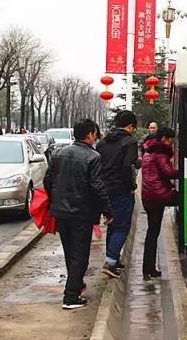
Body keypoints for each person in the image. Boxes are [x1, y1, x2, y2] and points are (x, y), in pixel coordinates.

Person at [44, 118, 113, 310]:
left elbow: (48, 180)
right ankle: (71, 296)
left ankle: (76, 285)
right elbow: (97, 187)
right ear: (90, 134)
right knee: (80, 254)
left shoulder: (59, 154)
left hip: (61, 211)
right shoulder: (93, 157)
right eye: (95, 134)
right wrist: (107, 210)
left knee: (70, 251)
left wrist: (55, 199)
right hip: (81, 212)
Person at [96, 110, 139, 278]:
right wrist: (132, 185)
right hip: (121, 190)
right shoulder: (130, 142)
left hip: (104, 190)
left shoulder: (102, 142)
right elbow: (127, 166)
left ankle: (113, 258)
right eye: (133, 128)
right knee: (122, 226)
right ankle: (111, 261)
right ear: (129, 126)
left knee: (113, 224)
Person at [141, 127, 178, 280]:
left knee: (152, 232)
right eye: (170, 140)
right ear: (164, 138)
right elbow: (169, 172)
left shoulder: (148, 151)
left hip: (148, 197)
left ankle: (148, 268)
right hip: (159, 196)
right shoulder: (160, 153)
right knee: (153, 232)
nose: (171, 143)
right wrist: (184, 169)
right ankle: (148, 268)